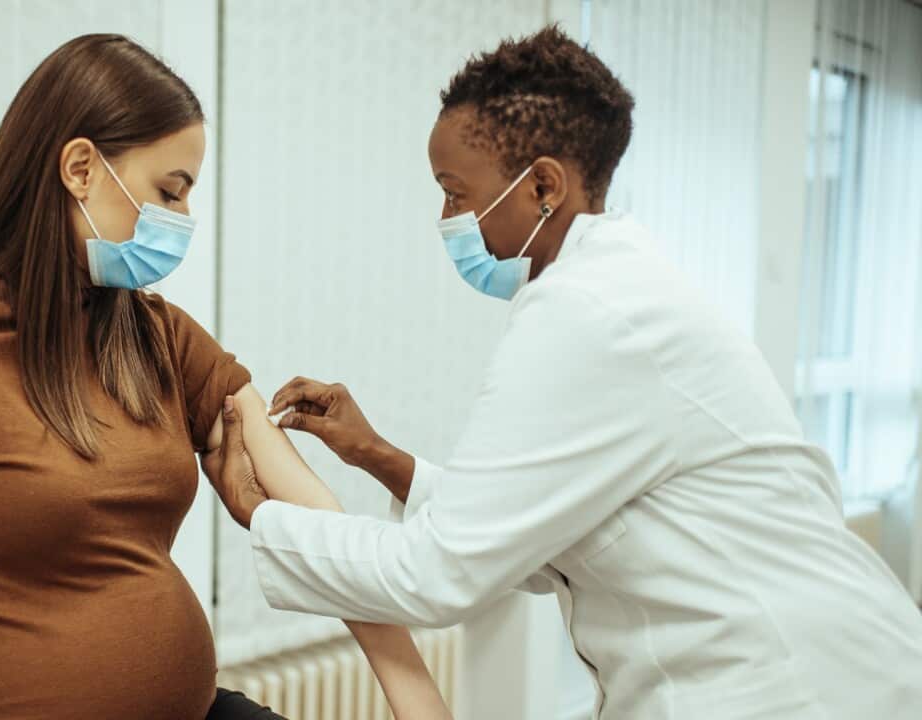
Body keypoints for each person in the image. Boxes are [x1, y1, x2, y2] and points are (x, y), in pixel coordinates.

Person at [203, 26, 922, 720]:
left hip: (793, 687)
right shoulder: (619, 294)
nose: (445, 217)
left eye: (455, 191)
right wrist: (380, 457)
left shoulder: (587, 313)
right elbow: (538, 543)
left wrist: (259, 514)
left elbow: (438, 573)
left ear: (542, 185)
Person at [0, 34, 448, 720]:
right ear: (81, 169)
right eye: (169, 193)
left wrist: (416, 699)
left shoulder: (156, 336)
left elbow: (311, 512)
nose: (184, 220)